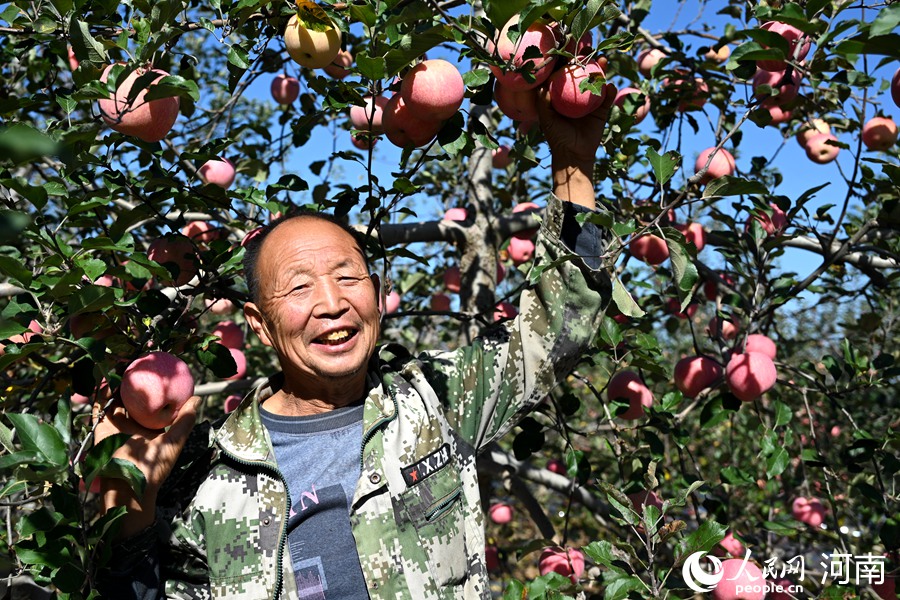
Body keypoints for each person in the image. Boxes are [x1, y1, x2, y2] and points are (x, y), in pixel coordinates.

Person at [96, 83, 617, 599]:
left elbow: (559, 324)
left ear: (377, 293)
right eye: (300, 286)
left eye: (348, 277)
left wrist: (573, 163)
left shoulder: (438, 399)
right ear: (258, 324)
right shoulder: (204, 468)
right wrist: (130, 518)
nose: (331, 302)